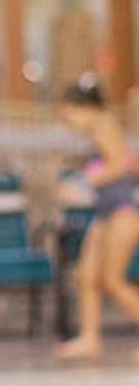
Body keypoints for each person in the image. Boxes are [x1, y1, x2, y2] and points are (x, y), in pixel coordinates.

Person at [56, 76, 139, 363]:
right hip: (105, 213)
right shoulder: (99, 130)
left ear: (84, 108)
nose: (68, 123)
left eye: (68, 115)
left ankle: (91, 338)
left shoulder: (104, 125)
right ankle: (90, 339)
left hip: (122, 212)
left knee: (113, 281)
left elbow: (119, 166)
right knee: (86, 275)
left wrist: (81, 184)